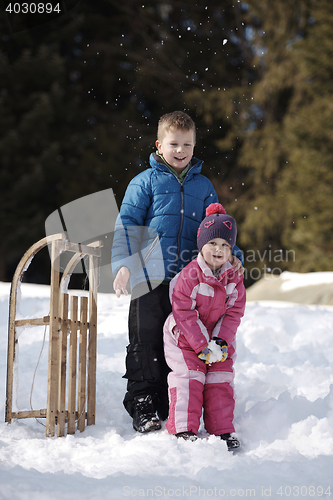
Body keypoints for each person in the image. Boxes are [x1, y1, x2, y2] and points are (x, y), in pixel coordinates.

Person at [111, 111, 244, 434]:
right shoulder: (145, 182)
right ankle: (143, 400)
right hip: (149, 275)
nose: (180, 150)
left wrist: (233, 256)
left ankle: (175, 398)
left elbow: (217, 226)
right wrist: (124, 264)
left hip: (190, 282)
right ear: (159, 145)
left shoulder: (203, 186)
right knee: (146, 339)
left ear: (194, 146)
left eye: (187, 144)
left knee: (182, 341)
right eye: (174, 144)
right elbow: (127, 224)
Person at [163, 202, 246, 451]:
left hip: (217, 339)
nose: (218, 250)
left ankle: (221, 430)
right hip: (185, 338)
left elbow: (233, 313)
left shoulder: (234, 279)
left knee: (220, 378)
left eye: (225, 245)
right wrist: (201, 345)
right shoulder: (190, 276)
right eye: (212, 244)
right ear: (202, 245)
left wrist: (220, 342)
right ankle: (183, 428)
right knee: (190, 377)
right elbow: (183, 312)